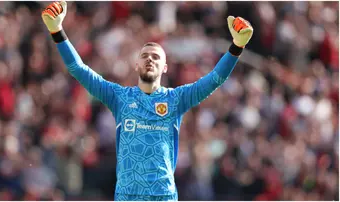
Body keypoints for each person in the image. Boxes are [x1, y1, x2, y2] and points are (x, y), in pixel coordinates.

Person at [41, 1, 253, 201]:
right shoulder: (119, 97)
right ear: (136, 65)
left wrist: (236, 47)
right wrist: (57, 31)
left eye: (156, 57)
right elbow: (79, 70)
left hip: (164, 196)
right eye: (145, 56)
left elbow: (214, 79)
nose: (150, 59)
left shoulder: (176, 99)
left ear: (165, 68)